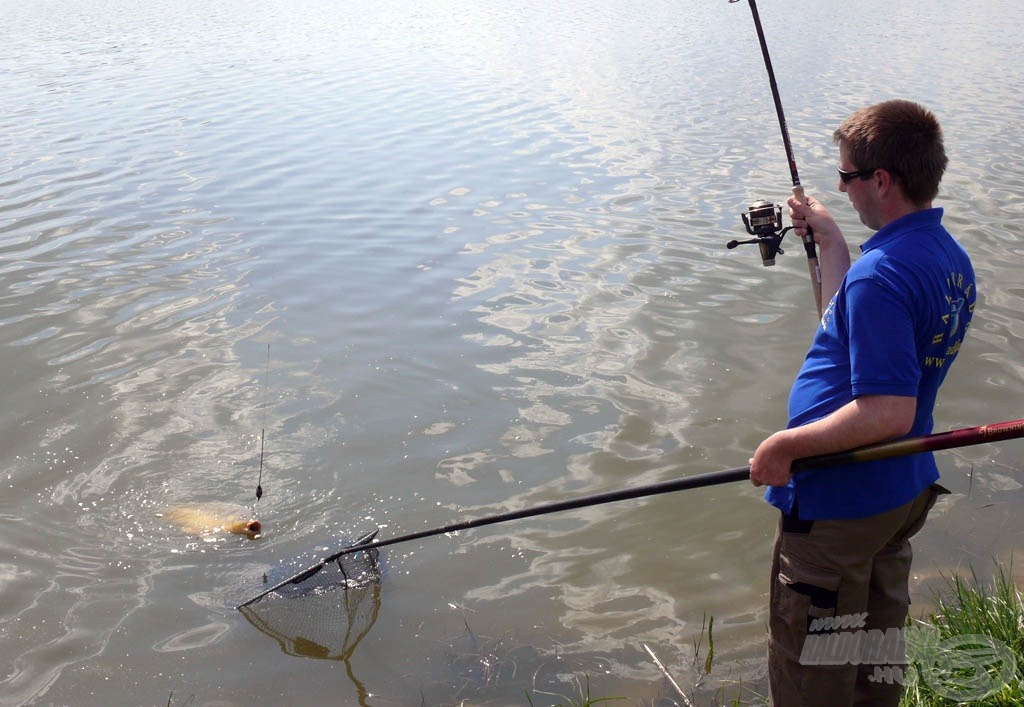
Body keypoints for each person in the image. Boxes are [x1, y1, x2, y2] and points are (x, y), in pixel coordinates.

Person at [748, 99, 976, 707]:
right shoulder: (945, 257)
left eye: (847, 177)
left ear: (882, 180)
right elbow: (848, 326)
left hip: (837, 506)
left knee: (814, 672)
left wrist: (784, 446)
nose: (842, 189)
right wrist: (830, 240)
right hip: (896, 493)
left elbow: (886, 410)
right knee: (874, 659)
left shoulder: (882, 277)